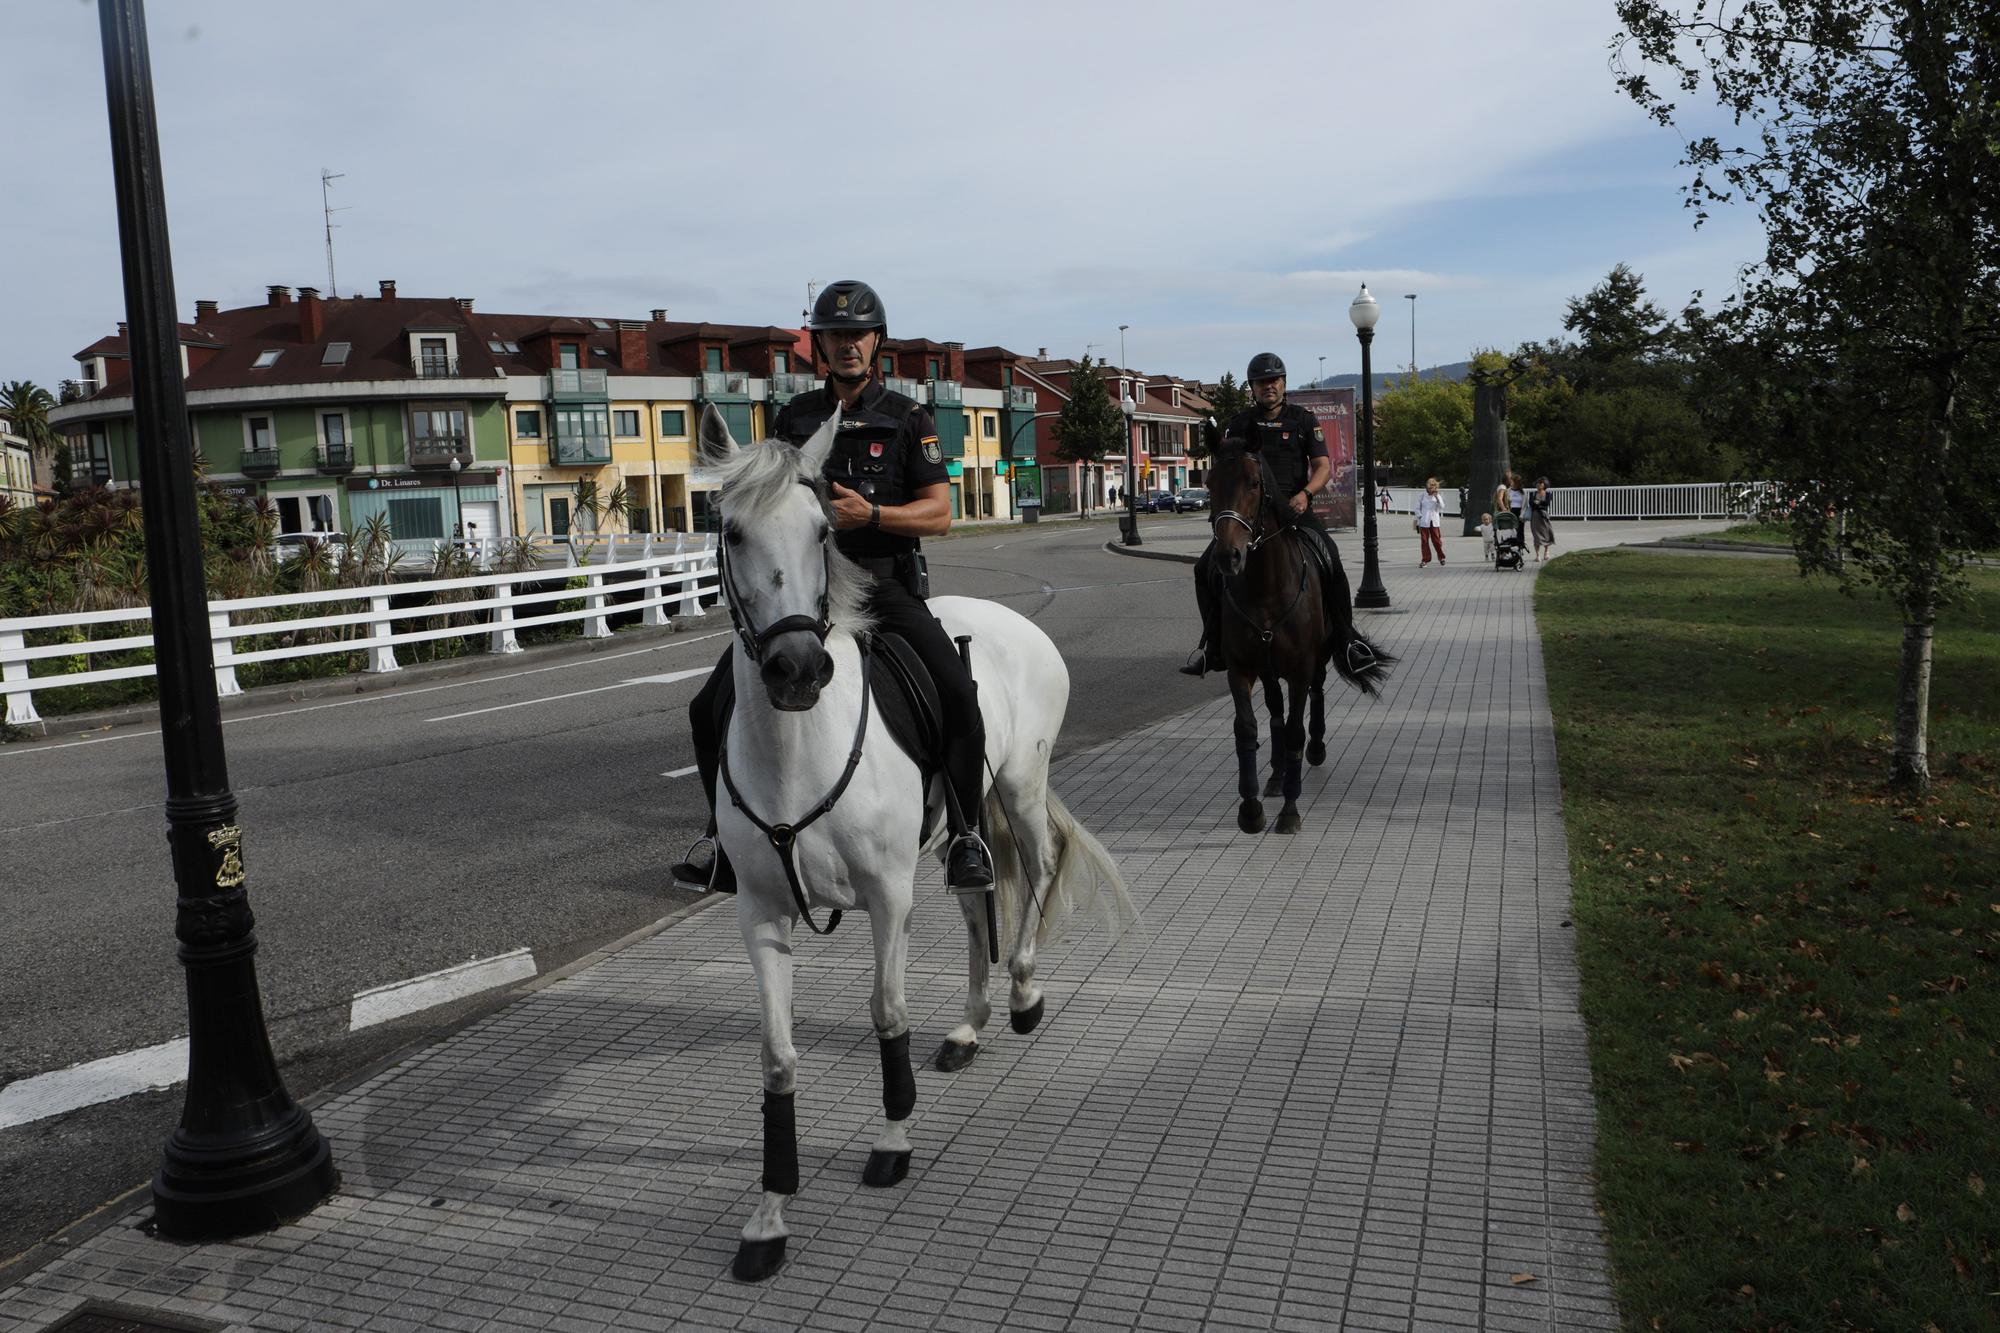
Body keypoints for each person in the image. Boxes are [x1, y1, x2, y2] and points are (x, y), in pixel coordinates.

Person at [670, 279, 993, 895]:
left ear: (877, 343)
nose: (847, 345)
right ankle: (721, 842)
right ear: (819, 346)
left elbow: (939, 515)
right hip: (803, 600)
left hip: (880, 589)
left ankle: (967, 836)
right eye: (835, 336)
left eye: (858, 334)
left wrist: (869, 516)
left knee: (956, 692)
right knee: (706, 706)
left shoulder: (907, 418)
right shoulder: (792, 419)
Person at [1179, 352, 1337, 676]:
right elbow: (1227, 466)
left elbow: (1322, 467)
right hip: (1250, 513)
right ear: (1252, 386)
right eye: (1261, 381)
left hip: (1293, 508)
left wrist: (1306, 494)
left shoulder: (1304, 420)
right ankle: (1212, 646)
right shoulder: (1239, 423)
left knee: (1331, 558)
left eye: (1274, 380)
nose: (1268, 386)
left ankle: (1346, 639)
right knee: (1203, 569)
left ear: (1283, 383)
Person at [1413, 476, 1447, 567]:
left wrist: (1437, 498)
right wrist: (1420, 517)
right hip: (1424, 521)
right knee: (1424, 541)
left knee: (1436, 540)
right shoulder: (1422, 495)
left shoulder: (1438, 496)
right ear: (1427, 486)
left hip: (1434, 521)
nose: (1432, 488)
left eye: (1434, 486)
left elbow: (1442, 507)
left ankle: (1441, 557)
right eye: (1430, 486)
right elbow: (1416, 508)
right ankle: (1425, 560)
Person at [1528, 477, 1557, 561]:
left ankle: (1546, 552)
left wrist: (1537, 502)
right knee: (1536, 535)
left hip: (1544, 516)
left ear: (1544, 485)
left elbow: (1546, 503)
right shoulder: (1532, 494)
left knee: (1546, 533)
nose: (1538, 485)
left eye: (1541, 483)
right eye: (1537, 483)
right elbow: (1531, 504)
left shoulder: (1548, 494)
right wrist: (1539, 503)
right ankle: (1537, 555)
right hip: (1535, 516)